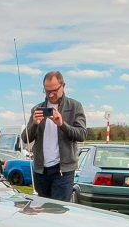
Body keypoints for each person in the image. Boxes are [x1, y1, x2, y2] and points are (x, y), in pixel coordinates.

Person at [20, 71, 87, 200]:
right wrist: (34, 124)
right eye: (47, 91)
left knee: (59, 210)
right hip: (40, 170)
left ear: (63, 86)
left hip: (63, 171)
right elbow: (25, 138)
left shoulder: (75, 106)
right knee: (42, 208)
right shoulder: (37, 109)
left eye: (54, 91)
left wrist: (62, 124)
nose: (50, 94)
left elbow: (82, 135)